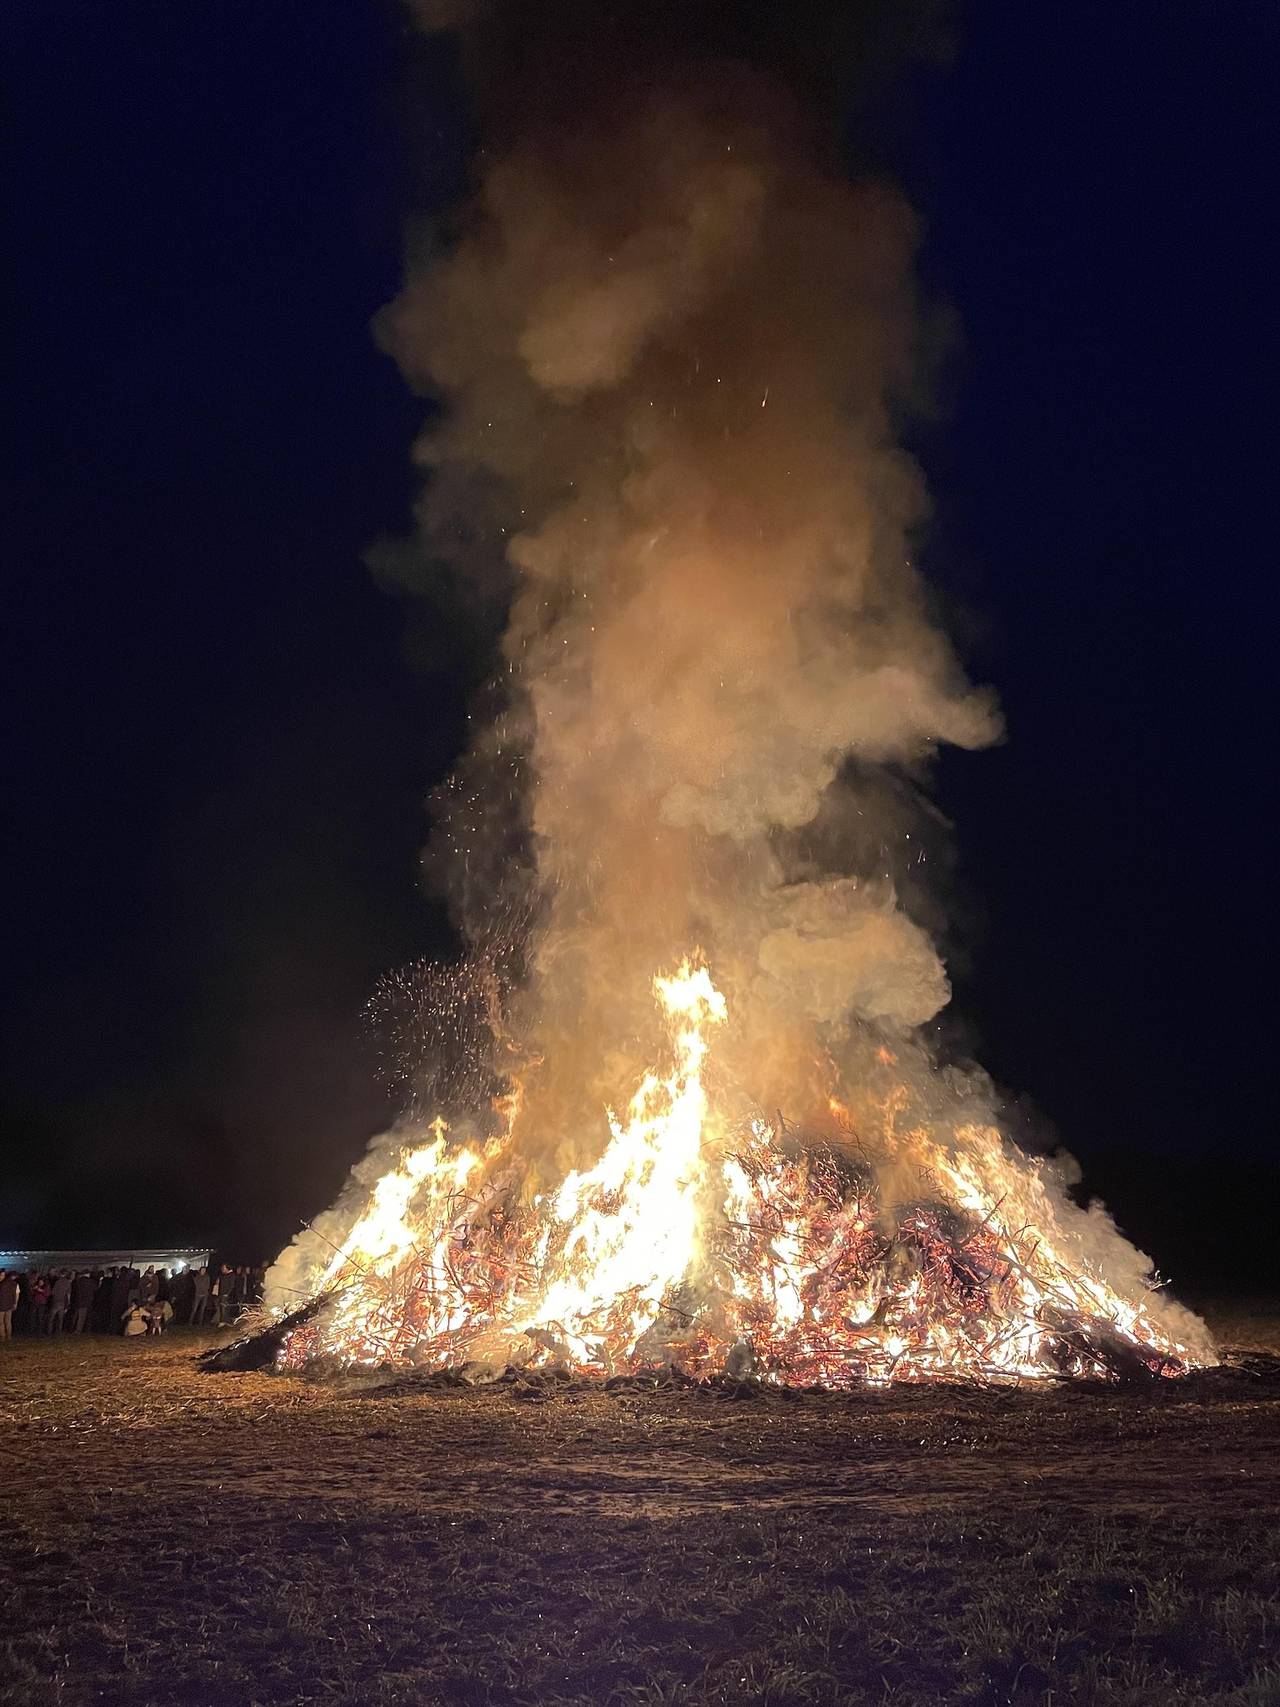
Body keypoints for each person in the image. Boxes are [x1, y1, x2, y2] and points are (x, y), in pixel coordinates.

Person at [47, 1270, 71, 1335]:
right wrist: (68, 1303)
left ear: (60, 1274)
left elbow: (53, 1292)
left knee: (51, 1319)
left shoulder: (57, 1282)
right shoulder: (68, 1283)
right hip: (62, 1302)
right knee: (60, 1319)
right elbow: (68, 1294)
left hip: (56, 1301)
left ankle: (49, 1332)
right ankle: (59, 1332)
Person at [0, 1270, 17, 1340]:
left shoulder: (1, 1284)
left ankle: (3, 1336)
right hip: (9, 1305)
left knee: (1, 1322)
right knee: (8, 1321)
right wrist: (14, 1303)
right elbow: (15, 1294)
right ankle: (9, 1336)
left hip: (1, 1305)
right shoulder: (14, 1283)